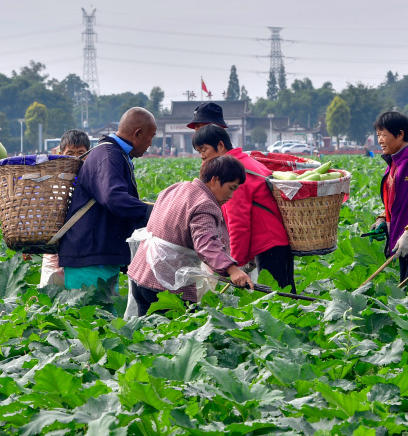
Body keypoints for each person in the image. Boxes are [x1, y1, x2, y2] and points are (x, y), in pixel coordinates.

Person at [127, 155, 253, 315]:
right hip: (166, 284)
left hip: (141, 274)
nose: (231, 196)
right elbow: (206, 244)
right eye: (231, 188)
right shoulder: (205, 204)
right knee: (174, 336)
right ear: (214, 180)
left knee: (147, 336)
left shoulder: (178, 188)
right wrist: (232, 270)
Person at [59, 108, 156, 292]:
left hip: (97, 254)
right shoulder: (109, 155)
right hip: (91, 256)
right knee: (92, 317)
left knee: (102, 317)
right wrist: (155, 213)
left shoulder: (113, 153)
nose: (151, 143)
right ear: (137, 134)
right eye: (150, 137)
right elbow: (114, 198)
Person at [193, 124, 295, 290]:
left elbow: (238, 223)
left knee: (277, 302)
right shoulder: (247, 161)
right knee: (287, 294)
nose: (202, 157)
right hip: (278, 241)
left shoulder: (232, 171)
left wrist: (235, 265)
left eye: (204, 150)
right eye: (199, 152)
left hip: (267, 244)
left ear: (220, 146)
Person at [367, 111, 408, 279]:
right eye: (378, 135)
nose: (379, 140)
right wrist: (382, 218)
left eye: (383, 135)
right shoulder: (393, 164)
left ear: (400, 134)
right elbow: (397, 201)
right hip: (402, 244)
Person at [39, 129, 91, 288]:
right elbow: (41, 215)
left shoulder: (93, 179)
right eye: (71, 153)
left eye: (81, 152)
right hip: (53, 254)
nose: (76, 158)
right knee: (50, 298)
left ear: (88, 153)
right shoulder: (51, 181)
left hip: (82, 252)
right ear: (61, 153)